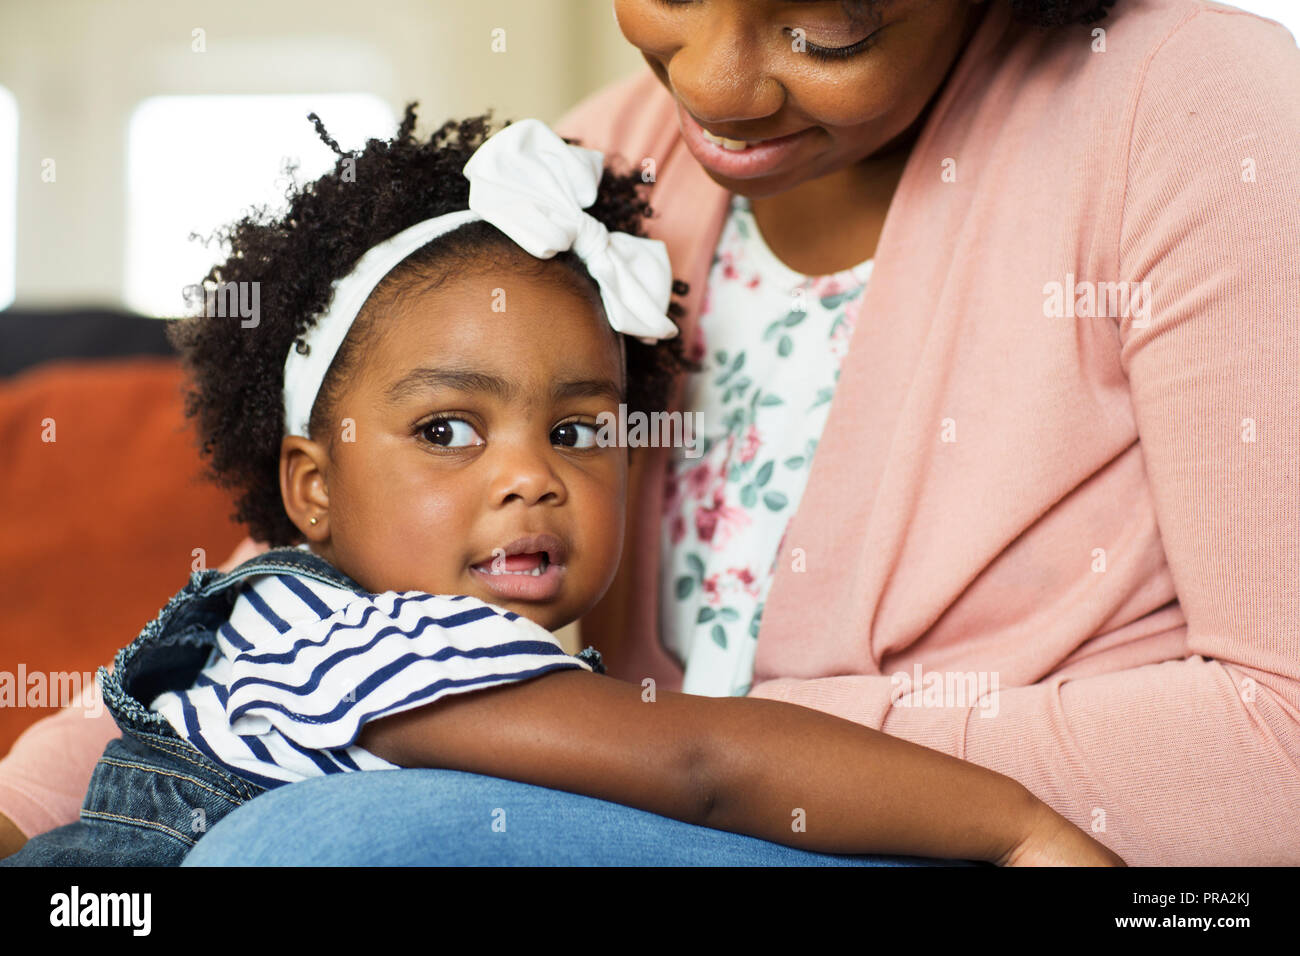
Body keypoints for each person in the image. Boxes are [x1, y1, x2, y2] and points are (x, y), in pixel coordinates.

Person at [3, 0, 1298, 865]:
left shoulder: (1184, 107)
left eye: (825, 20)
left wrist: (723, 751)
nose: (717, 86)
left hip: (1001, 850)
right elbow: (302, 576)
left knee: (335, 849)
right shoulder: (613, 161)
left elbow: (1279, 750)